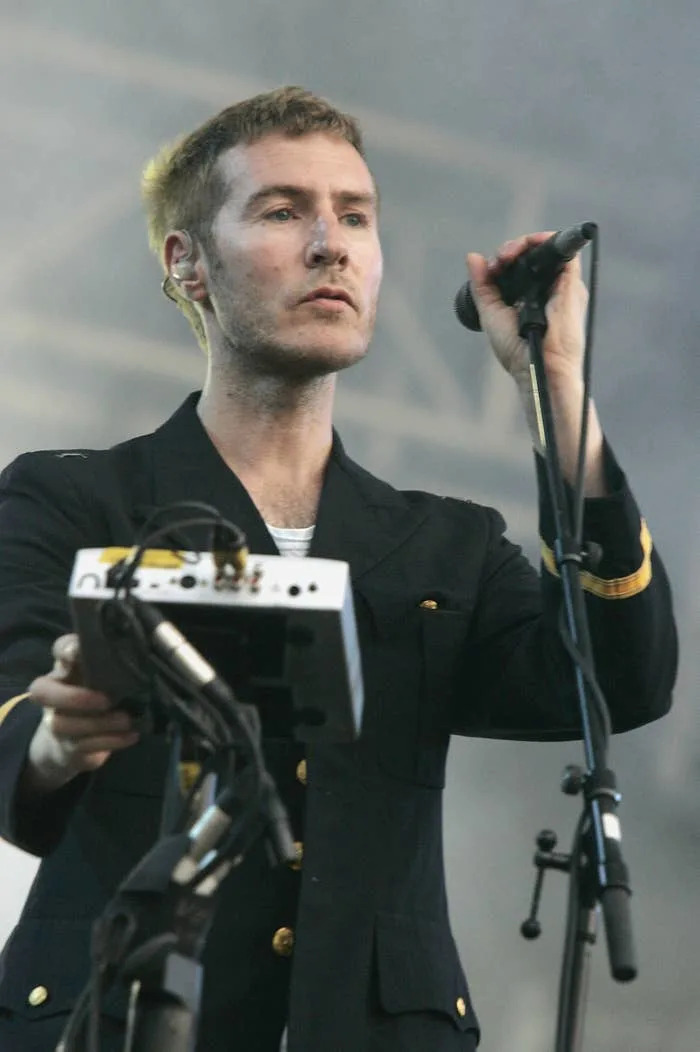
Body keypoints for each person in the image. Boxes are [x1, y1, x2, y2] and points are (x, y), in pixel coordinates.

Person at [0, 86, 676, 1052]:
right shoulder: (72, 499)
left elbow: (621, 679)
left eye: (356, 216)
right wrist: (60, 741)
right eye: (283, 211)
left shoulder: (447, 544)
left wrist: (555, 386)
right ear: (186, 263)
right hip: (113, 1020)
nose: (332, 244)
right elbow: (9, 718)